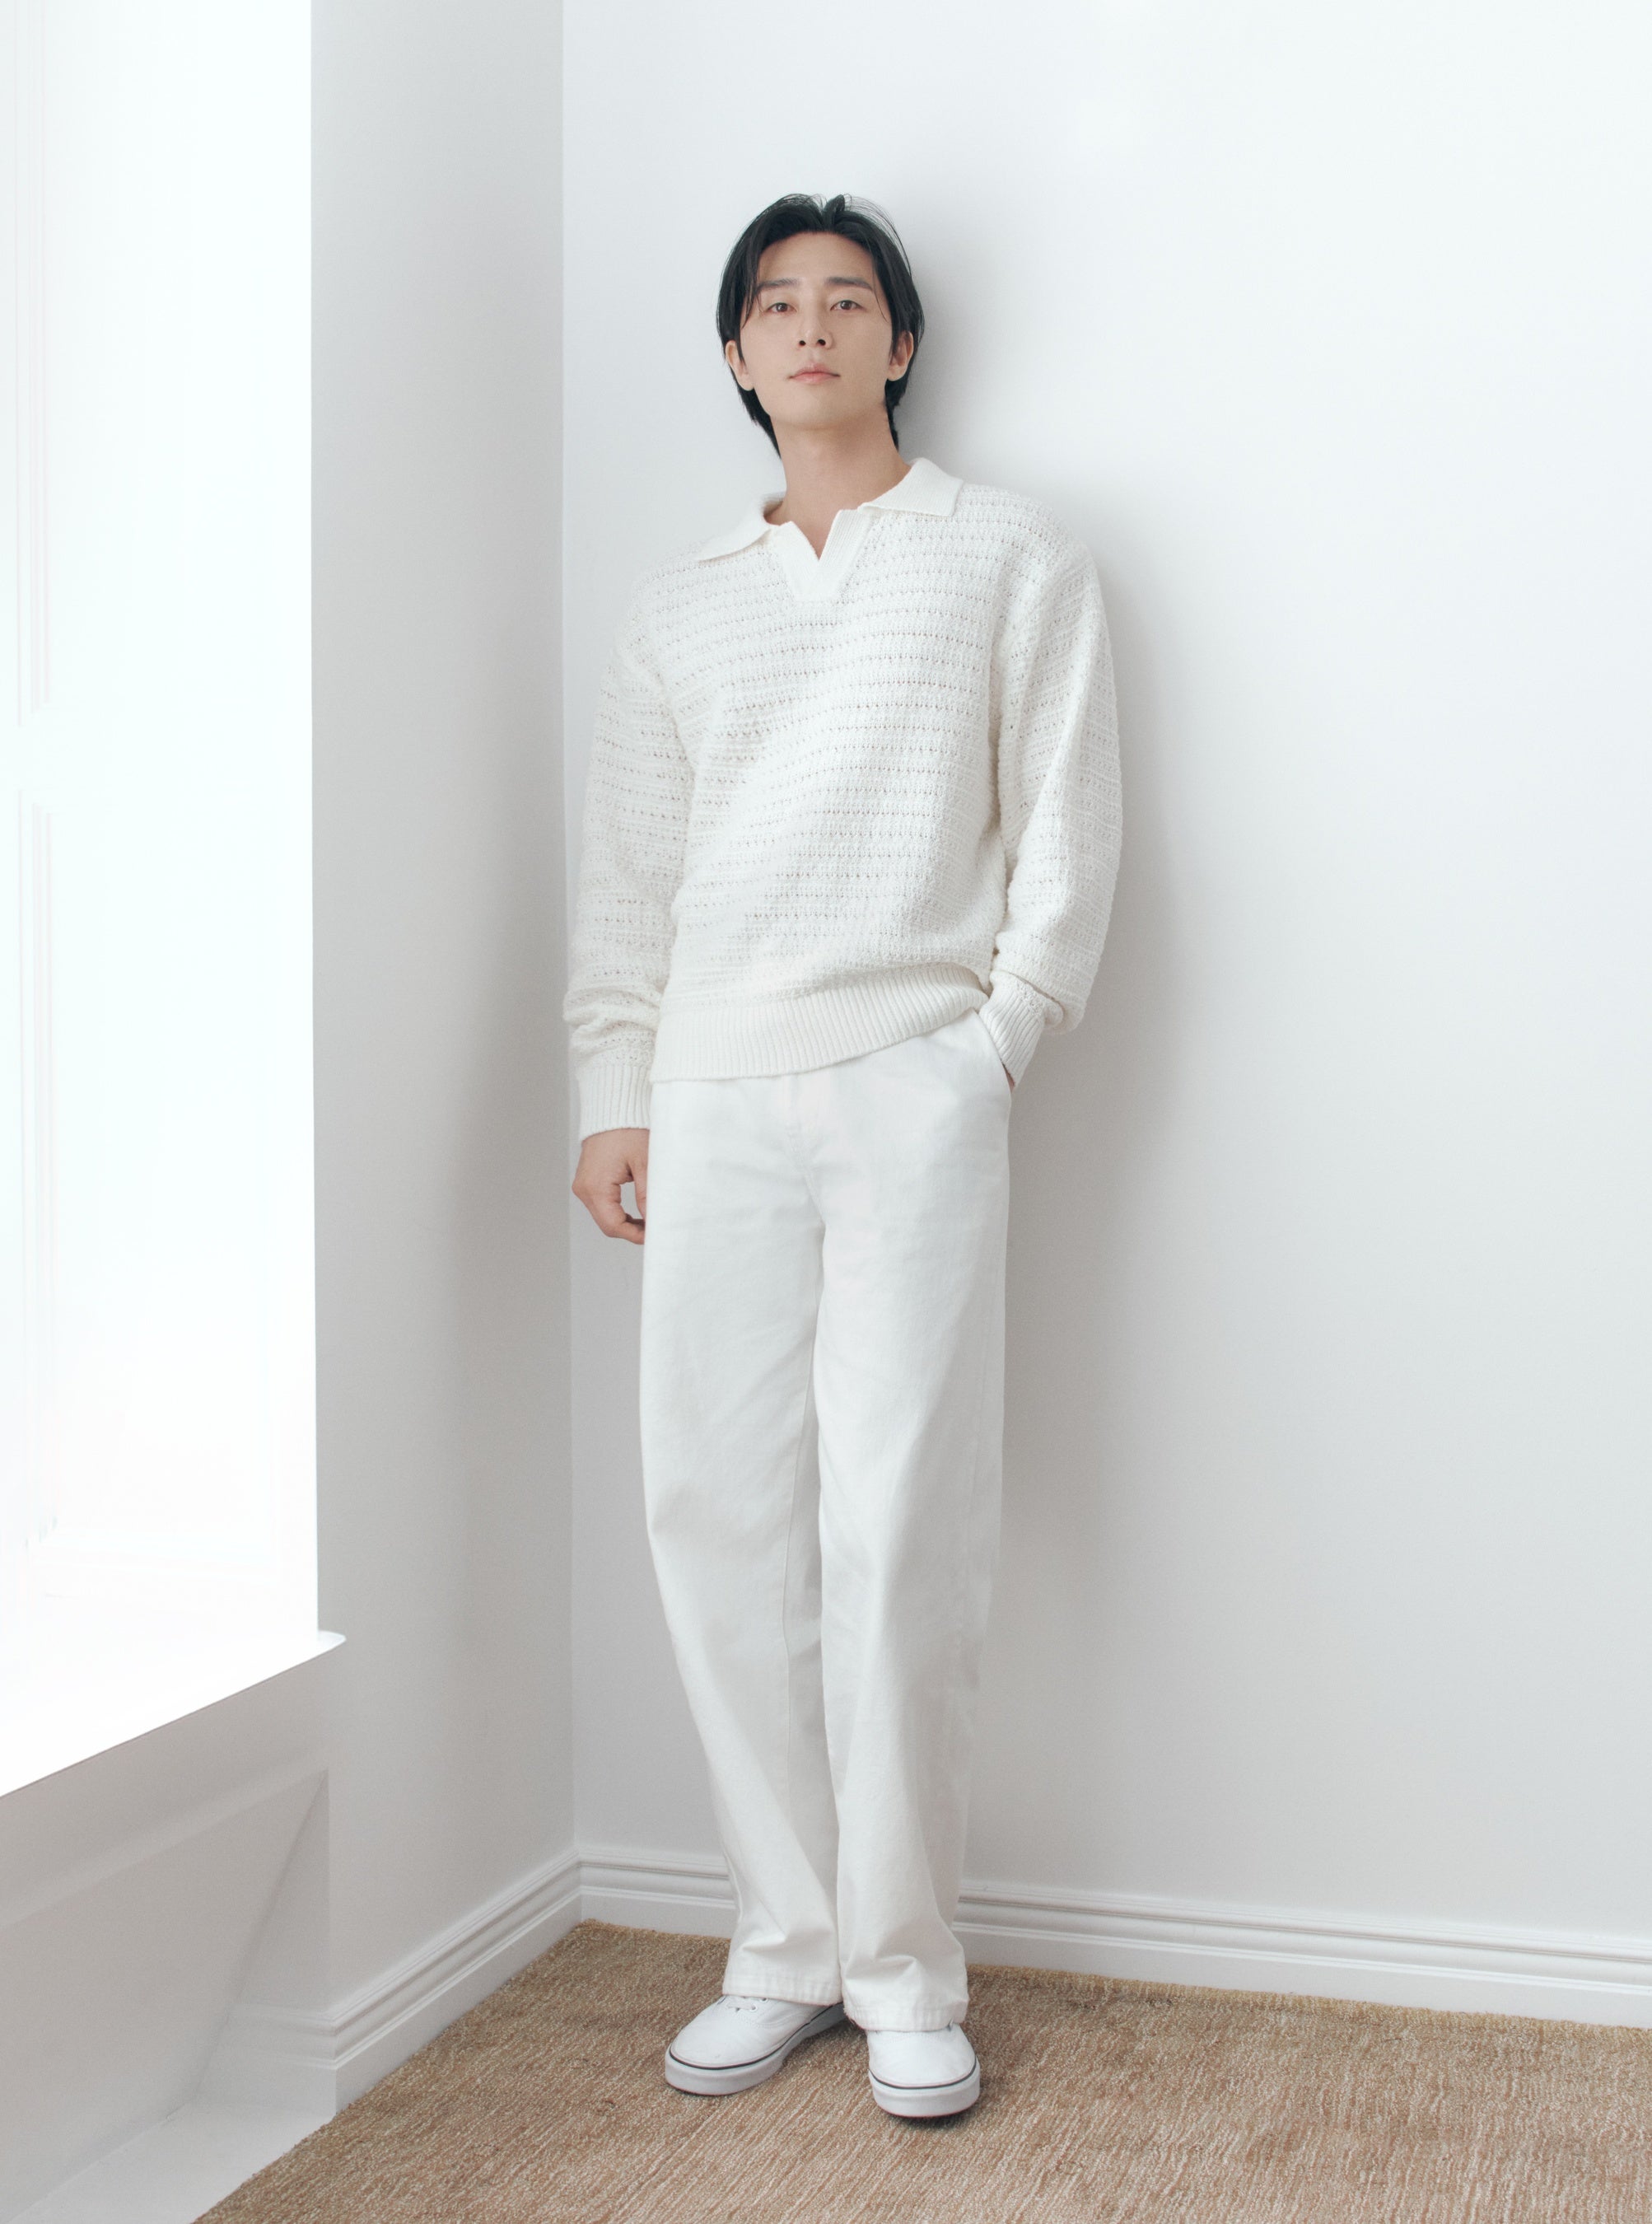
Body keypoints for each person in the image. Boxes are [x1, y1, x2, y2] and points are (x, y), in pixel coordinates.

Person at [563, 192, 1122, 2120]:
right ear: (735, 354)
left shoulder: (1008, 556)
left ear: (900, 342)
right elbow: (629, 878)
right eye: (775, 303)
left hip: (911, 1082)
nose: (810, 325)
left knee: (902, 1528)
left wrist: (991, 1047)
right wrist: (613, 1088)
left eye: (847, 298)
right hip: (712, 1092)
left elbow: (1067, 831)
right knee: (714, 1518)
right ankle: (782, 1944)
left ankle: (902, 1969)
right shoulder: (679, 609)